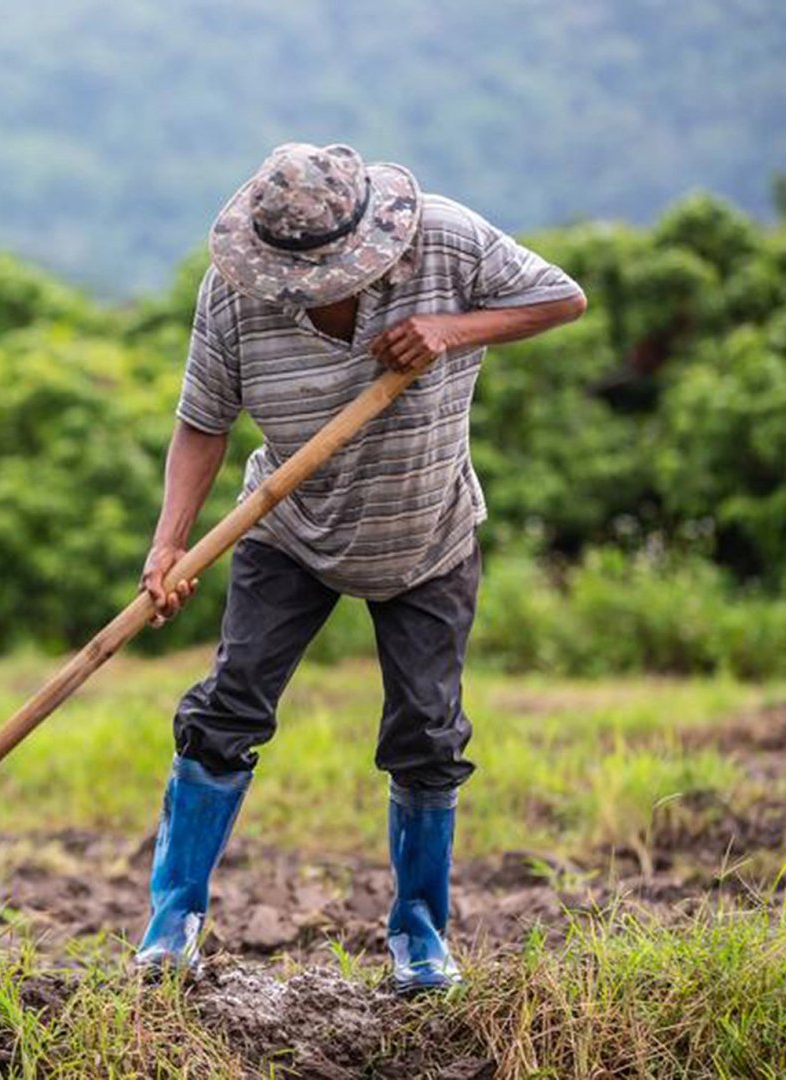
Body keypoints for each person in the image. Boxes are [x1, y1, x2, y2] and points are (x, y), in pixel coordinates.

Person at [135, 142, 586, 993]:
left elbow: (561, 298)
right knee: (227, 710)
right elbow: (203, 421)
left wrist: (451, 330)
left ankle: (421, 938)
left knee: (427, 734)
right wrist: (169, 545)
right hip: (288, 528)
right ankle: (172, 927)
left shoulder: (445, 240)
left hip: (427, 534)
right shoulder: (233, 293)